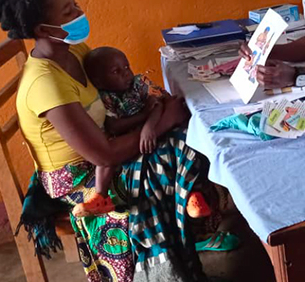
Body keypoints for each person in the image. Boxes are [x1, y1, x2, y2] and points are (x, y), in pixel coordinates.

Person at [0, 0, 221, 282]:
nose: (79, 14)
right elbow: (102, 155)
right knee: (168, 159)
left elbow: (115, 96)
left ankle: (187, 271)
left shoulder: (73, 51)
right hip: (78, 177)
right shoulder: (45, 84)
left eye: (74, 5)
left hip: (104, 144)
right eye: (68, 12)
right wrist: (158, 122)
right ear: (41, 29)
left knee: (186, 137)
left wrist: (153, 110)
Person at [70, 46, 211, 220]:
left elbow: (159, 105)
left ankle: (192, 196)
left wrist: (149, 127)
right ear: (99, 81)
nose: (126, 74)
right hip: (127, 140)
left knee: (186, 144)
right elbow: (114, 127)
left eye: (127, 67)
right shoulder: (104, 98)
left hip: (154, 128)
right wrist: (143, 117)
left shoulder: (141, 83)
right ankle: (100, 197)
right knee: (104, 161)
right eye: (116, 71)